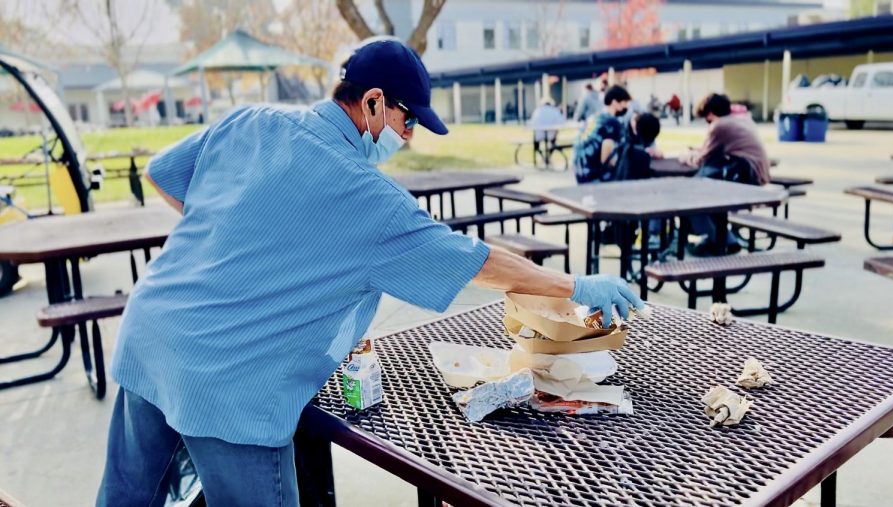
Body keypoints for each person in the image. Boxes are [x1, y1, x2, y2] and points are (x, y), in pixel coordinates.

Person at [96, 37, 645, 507]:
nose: (407, 137)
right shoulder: (368, 197)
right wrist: (575, 285)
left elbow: (164, 173)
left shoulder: (253, 120)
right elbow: (476, 262)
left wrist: (236, 240)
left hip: (151, 335)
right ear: (374, 102)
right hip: (231, 382)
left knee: (125, 498)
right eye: (407, 121)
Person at [679, 92, 770, 256]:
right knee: (707, 193)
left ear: (711, 114)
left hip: (745, 173)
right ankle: (725, 240)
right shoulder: (741, 118)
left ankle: (716, 240)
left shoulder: (719, 125)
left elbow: (702, 159)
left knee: (693, 193)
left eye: (706, 118)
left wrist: (686, 156)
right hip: (755, 173)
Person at [572, 84, 631, 184]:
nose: (626, 106)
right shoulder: (611, 123)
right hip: (595, 178)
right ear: (614, 102)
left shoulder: (594, 118)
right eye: (624, 102)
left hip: (580, 174)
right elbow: (607, 159)